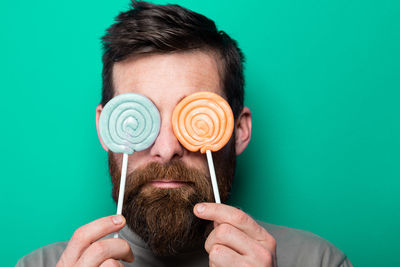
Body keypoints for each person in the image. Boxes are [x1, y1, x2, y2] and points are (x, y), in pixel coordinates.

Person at [17, 1, 352, 266]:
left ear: (238, 131)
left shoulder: (319, 261)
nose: (166, 148)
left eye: (193, 114)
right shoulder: (39, 265)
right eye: (139, 115)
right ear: (106, 128)